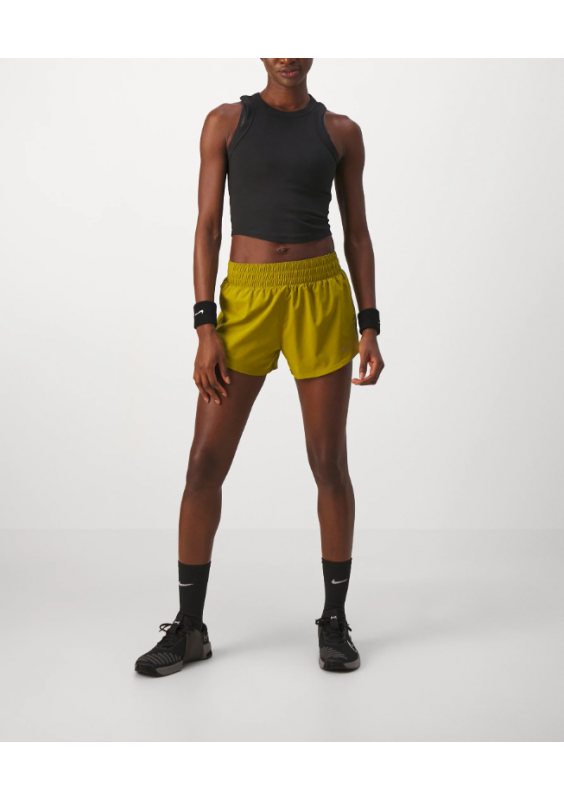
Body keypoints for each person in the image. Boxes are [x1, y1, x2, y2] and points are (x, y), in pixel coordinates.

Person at [135, 58, 384, 677]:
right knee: (203, 464)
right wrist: (205, 325)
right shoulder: (226, 122)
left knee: (328, 462)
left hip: (320, 296)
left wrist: (369, 323)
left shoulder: (341, 132)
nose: (287, 55)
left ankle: (334, 621)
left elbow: (357, 233)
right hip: (245, 300)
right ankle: (189, 628)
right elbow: (207, 226)